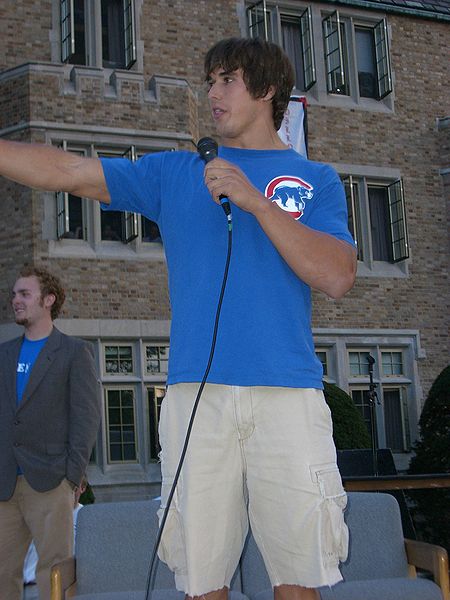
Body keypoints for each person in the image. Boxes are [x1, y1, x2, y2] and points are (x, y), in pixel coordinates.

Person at [0, 37, 356, 600]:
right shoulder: (176, 173)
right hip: (197, 396)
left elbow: (337, 276)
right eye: (210, 80)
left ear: (265, 90)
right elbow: (69, 169)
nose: (212, 93)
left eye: (227, 80)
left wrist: (258, 203)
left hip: (288, 395)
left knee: (299, 573)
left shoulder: (318, 180)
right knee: (200, 574)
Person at [0, 267, 101, 600]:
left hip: (50, 481)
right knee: (3, 574)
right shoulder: (4, 354)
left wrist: (70, 478)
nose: (15, 300)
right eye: (14, 294)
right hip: (4, 485)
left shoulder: (73, 353)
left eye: (24, 294)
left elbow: (85, 419)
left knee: (54, 573)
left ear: (48, 300)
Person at [23, 477, 89, 586]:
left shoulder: (86, 518)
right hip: (30, 584)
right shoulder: (41, 515)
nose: (68, 492)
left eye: (73, 488)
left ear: (82, 488)